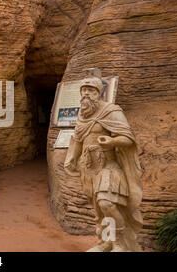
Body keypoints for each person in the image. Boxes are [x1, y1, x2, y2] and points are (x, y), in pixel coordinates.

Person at [64, 76, 143, 252]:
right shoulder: (82, 113)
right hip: (88, 167)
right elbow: (78, 138)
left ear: (98, 93)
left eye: (90, 91)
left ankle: (120, 243)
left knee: (106, 202)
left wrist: (111, 142)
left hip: (108, 165)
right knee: (99, 209)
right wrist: (72, 158)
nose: (86, 95)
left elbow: (128, 138)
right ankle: (107, 242)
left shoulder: (111, 111)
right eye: (83, 91)